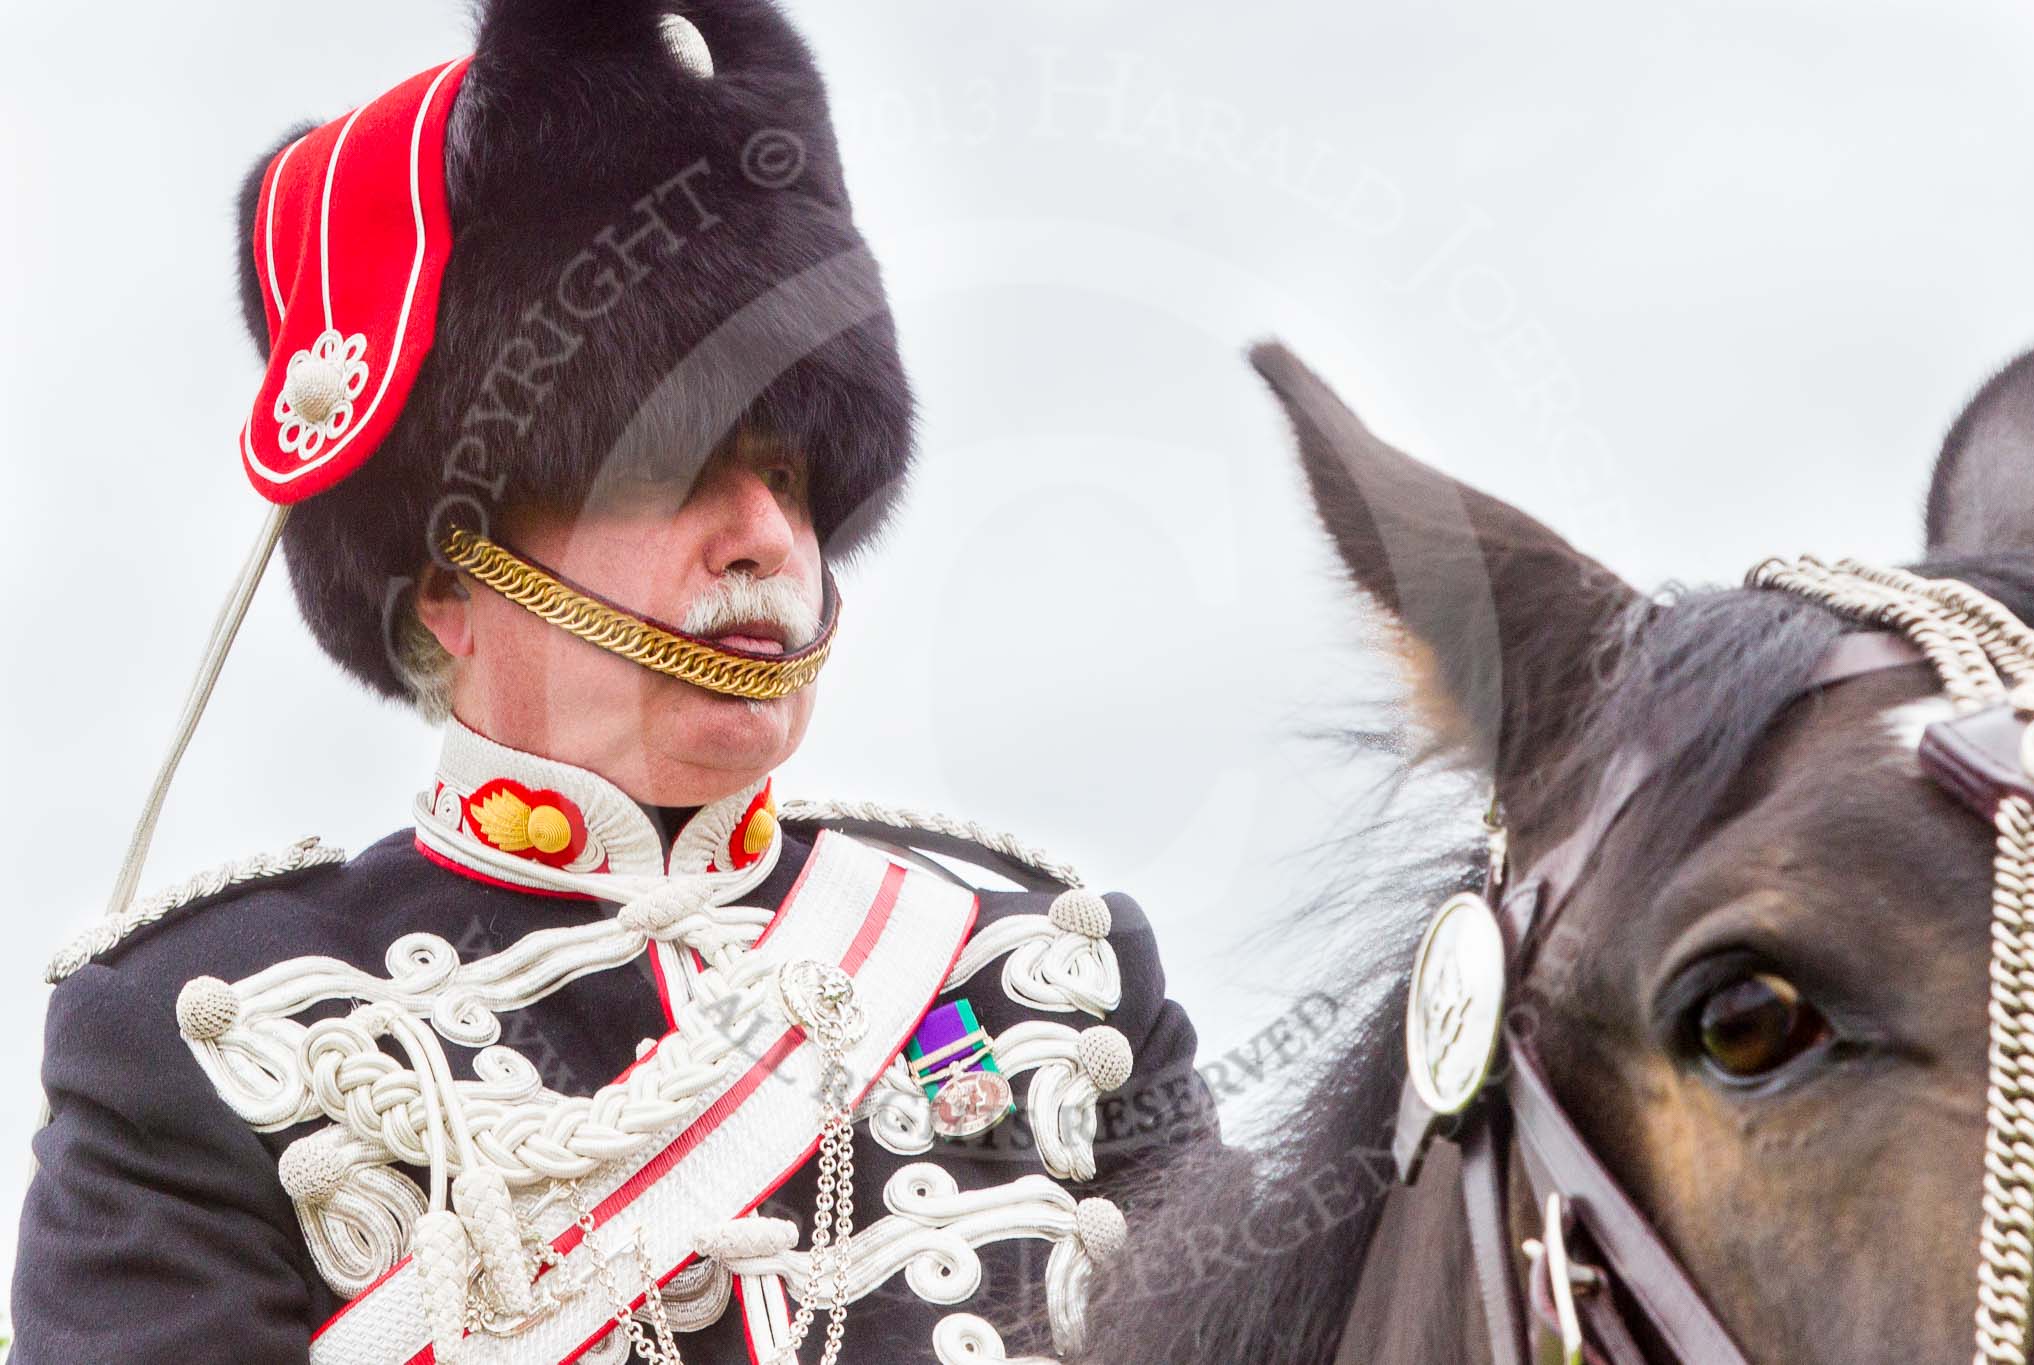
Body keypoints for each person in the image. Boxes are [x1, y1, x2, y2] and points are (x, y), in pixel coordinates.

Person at [9, 3, 1207, 1361]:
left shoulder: (1052, 979)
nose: (768, 535)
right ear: (451, 577)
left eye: (795, 474)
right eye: (677, 462)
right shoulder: (206, 1043)